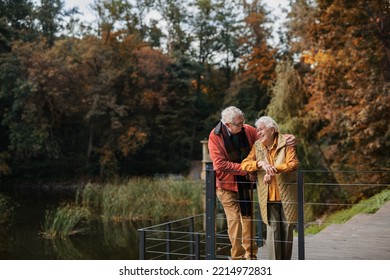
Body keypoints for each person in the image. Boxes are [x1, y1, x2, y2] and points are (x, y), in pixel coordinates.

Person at [207, 107, 295, 260]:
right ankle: (237, 258)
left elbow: (268, 135)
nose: (243, 125)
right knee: (235, 221)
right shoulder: (215, 136)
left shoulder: (247, 130)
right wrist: (248, 169)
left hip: (245, 185)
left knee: (248, 221)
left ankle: (251, 255)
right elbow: (220, 164)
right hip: (226, 185)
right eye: (239, 124)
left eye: (243, 121)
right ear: (228, 124)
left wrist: (288, 137)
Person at [241, 116, 299, 260]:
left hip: (286, 195)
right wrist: (258, 164)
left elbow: (293, 164)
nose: (258, 133)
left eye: (261, 129)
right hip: (268, 196)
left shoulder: (287, 142)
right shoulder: (257, 146)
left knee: (287, 231)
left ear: (272, 130)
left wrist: (274, 169)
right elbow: (245, 164)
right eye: (257, 130)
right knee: (272, 232)